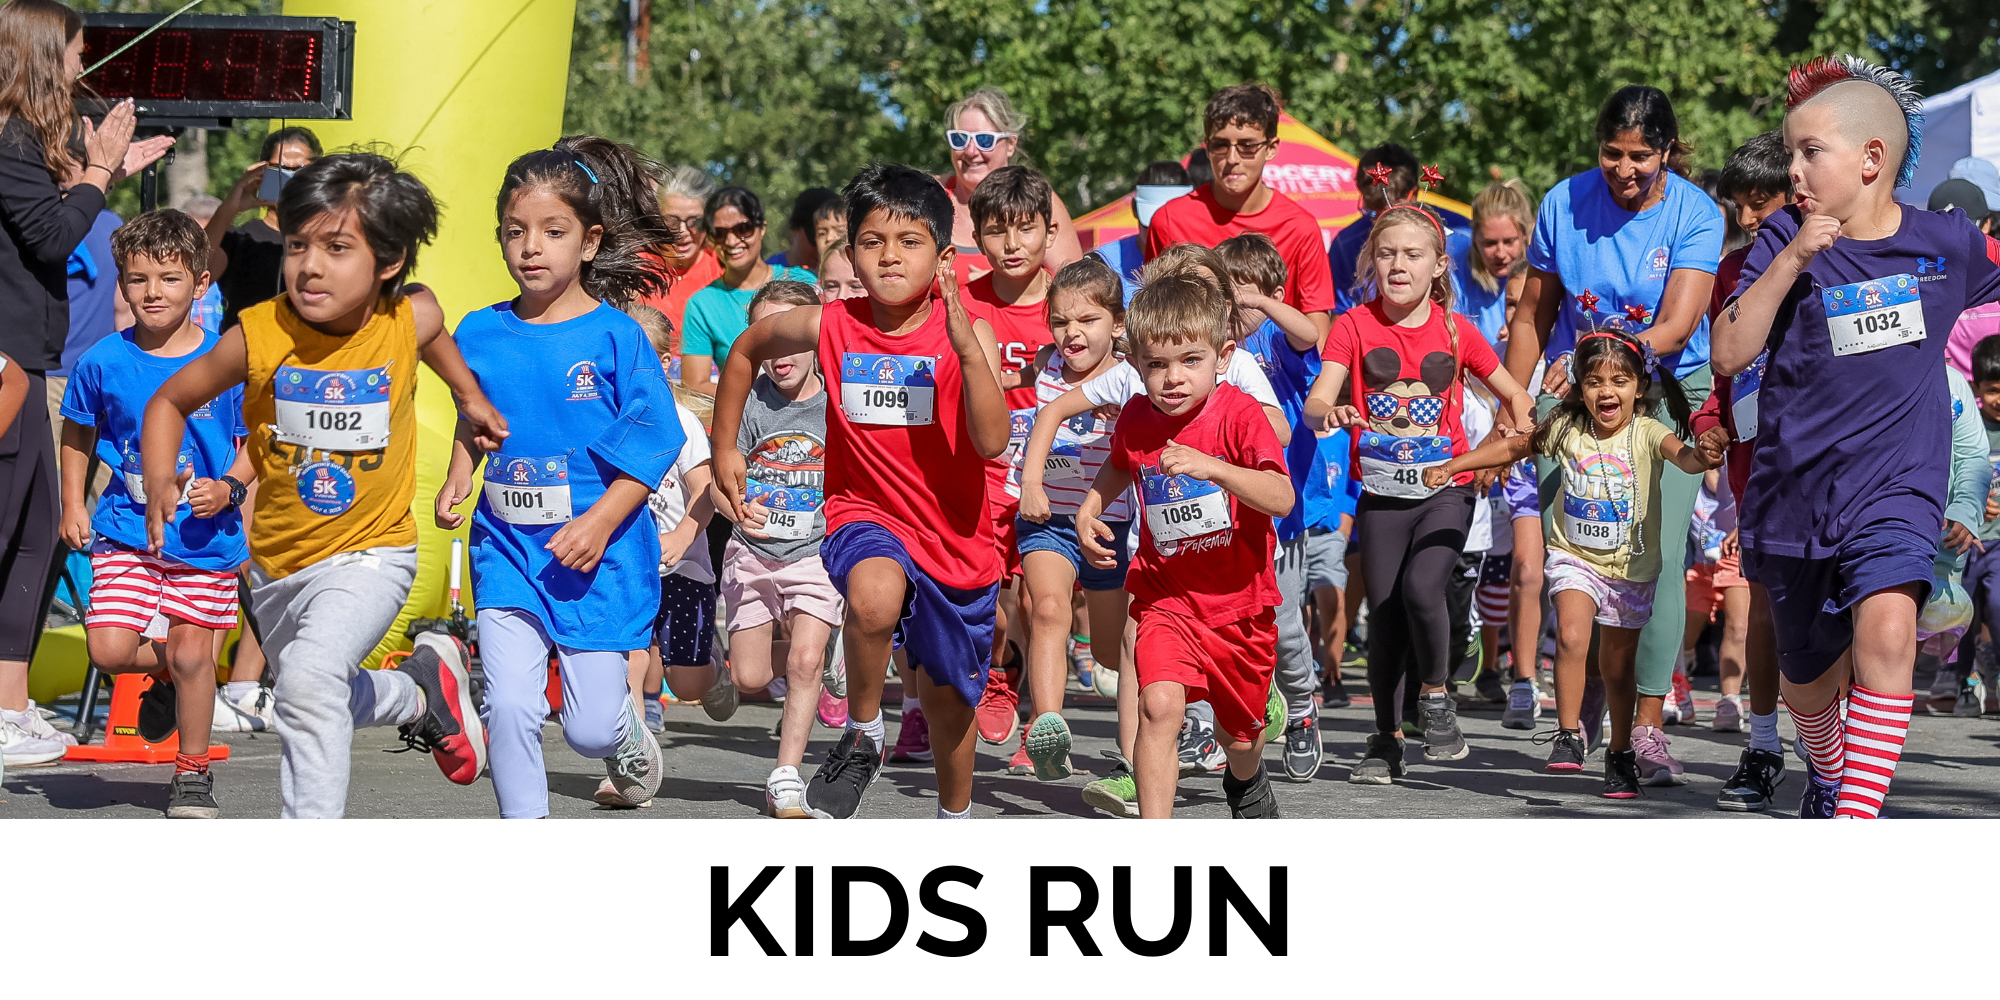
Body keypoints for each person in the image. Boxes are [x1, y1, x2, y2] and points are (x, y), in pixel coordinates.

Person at [143, 152, 508, 818]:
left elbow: (435, 334)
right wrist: (161, 476)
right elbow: (167, 402)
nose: (310, 265)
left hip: (376, 552)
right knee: (306, 690)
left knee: (308, 680)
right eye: (298, 245)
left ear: (388, 262)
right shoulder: (257, 335)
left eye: (338, 248)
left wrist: (469, 397)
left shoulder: (404, 319)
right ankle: (422, 693)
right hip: (279, 564)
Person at [1711, 54, 2000, 819]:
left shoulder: (1948, 243)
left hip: (1898, 488)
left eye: (1810, 152)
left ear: (1873, 160)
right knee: (1807, 683)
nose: (1793, 169)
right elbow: (1729, 351)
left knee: (1888, 626)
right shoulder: (1782, 236)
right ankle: (1831, 767)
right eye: (1791, 151)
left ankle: (1854, 819)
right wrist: (1798, 254)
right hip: (1793, 495)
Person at [710, 162, 1010, 820]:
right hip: (862, 514)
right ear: (849, 252)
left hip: (954, 537)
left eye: (909, 242)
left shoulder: (970, 333)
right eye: (872, 242)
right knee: (872, 599)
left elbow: (992, 443)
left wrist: (965, 351)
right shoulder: (830, 325)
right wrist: (724, 445)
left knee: (946, 702)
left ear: (943, 256)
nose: (889, 257)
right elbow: (744, 351)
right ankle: (864, 730)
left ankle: (954, 817)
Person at [435, 137, 683, 819]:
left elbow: (656, 442)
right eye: (516, 233)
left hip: (596, 557)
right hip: (509, 547)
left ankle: (625, 732)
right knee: (510, 703)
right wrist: (461, 472)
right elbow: (474, 415)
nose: (531, 248)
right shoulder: (479, 332)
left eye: (552, 231)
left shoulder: (617, 338)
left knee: (588, 730)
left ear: (590, 241)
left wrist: (599, 523)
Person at [1504, 84, 1724, 781]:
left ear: (1667, 152)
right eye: (1612, 155)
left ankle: (1648, 724)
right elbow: (1533, 316)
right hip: (1575, 397)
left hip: (1660, 392)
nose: (1625, 170)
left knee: (1652, 562)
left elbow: (1678, 325)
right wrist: (1514, 403)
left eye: (1641, 158)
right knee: (1581, 552)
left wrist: (1604, 357)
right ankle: (1592, 698)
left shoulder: (1696, 211)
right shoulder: (1562, 203)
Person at [1429, 327, 1719, 795]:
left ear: (1639, 387)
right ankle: (1567, 734)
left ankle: (1620, 752)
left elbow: (1684, 459)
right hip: (1575, 560)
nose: (1607, 391)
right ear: (1579, 387)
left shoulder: (1648, 431)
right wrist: (1456, 464)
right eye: (1595, 382)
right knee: (1570, 634)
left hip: (1628, 570)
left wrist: (1703, 454)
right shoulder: (1566, 427)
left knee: (1618, 670)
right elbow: (1513, 446)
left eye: (1620, 381)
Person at [1303, 204, 1535, 781]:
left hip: (1445, 488)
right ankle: (1385, 741)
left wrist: (1517, 433)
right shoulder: (1354, 325)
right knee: (1383, 614)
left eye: (1412, 255)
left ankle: (1435, 694)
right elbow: (1315, 403)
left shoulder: (1458, 331)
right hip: (1382, 493)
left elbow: (1514, 394)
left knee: (1422, 587)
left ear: (1438, 265)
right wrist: (1331, 411)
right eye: (1386, 254)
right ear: (1371, 262)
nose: (1397, 265)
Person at [0, 0, 174, 764]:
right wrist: (99, 169)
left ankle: (10, 703)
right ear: (43, 55)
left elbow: (55, 209)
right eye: (75, 52)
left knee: (33, 536)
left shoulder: (25, 141)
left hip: (30, 356)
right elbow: (51, 232)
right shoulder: (6, 135)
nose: (83, 65)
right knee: (17, 534)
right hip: (7, 361)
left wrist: (103, 174)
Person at [1075, 271, 1293, 818]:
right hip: (1166, 597)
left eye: (1190, 361)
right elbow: (1121, 464)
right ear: (1136, 364)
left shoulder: (1241, 414)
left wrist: (1214, 468)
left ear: (1222, 357)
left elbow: (1281, 497)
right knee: (1158, 705)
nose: (1173, 379)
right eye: (1157, 365)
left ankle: (1246, 780)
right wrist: (1090, 507)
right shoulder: (1136, 418)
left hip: (1239, 607)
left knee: (1239, 738)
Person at [57, 210, 246, 817]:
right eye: (138, 280)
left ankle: (191, 773)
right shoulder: (102, 362)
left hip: (205, 539)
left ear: (200, 284)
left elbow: (259, 446)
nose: (152, 293)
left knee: (194, 651)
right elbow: (78, 433)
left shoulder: (229, 362)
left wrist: (231, 490)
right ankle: (177, 675)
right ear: (122, 285)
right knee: (109, 650)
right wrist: (71, 503)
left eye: (169, 278)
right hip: (125, 530)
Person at [718, 279, 844, 817]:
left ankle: (786, 775)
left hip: (815, 550)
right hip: (752, 550)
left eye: (786, 337)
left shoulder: (837, 401)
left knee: (804, 659)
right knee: (748, 677)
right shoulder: (747, 405)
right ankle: (815, 660)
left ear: (814, 334)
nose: (776, 355)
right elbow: (720, 481)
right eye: (762, 342)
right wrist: (735, 508)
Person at [1012, 258, 1134, 791]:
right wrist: (1031, 485)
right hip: (1049, 519)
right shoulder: (1045, 365)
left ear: (1118, 324)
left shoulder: (1133, 378)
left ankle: (1142, 745)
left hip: (1112, 525)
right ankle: (1048, 728)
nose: (1072, 333)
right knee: (1047, 608)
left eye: (1087, 320)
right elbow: (1035, 416)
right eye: (1061, 321)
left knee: (1111, 652)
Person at [1215, 233, 1328, 781]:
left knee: (1284, 625)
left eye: (1248, 290)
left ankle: (1303, 709)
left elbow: (1311, 331)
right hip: (1221, 510)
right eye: (1227, 289)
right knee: (1224, 621)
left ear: (1274, 294)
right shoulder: (1213, 345)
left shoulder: (1278, 343)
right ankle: (1224, 721)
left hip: (1284, 512)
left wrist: (1261, 306)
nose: (1237, 302)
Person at [959, 165, 1060, 764]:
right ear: (979, 237)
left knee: (1039, 602)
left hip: (1052, 473)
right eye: (997, 231)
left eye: (1026, 230)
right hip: (981, 473)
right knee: (986, 603)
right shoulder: (964, 302)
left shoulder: (1071, 301)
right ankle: (995, 675)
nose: (1012, 244)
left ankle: (1040, 723)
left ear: (1049, 232)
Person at [1147, 85, 1336, 341]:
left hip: (1276, 376)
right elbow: (1154, 314)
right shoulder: (1169, 221)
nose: (1232, 158)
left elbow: (1317, 332)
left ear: (1271, 147)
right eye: (1220, 145)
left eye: (1247, 146)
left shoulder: (1300, 227)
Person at [935, 87, 1083, 282]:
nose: (970, 151)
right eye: (959, 139)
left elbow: (1077, 286)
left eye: (984, 140)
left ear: (1011, 144)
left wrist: (1001, 284)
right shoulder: (929, 196)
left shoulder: (1041, 201)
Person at [680, 186, 816, 398]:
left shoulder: (804, 282)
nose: (732, 241)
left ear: (762, 228)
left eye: (743, 229)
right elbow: (694, 385)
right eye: (720, 233)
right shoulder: (702, 304)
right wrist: (758, 405)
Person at [204, 125, 321, 333]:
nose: (289, 178)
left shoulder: (328, 239)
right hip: (246, 354)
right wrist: (230, 207)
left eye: (300, 170)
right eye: (279, 169)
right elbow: (195, 274)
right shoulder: (240, 239)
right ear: (262, 174)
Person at [1957, 334, 2000, 716]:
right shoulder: (1968, 428)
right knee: (1961, 617)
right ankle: (1966, 683)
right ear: (1976, 389)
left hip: (1998, 545)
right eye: (1992, 390)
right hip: (1965, 543)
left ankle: (1995, 675)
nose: (1999, 399)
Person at [1329, 143, 1423, 316]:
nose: (1381, 222)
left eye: (1391, 213)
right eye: (1372, 212)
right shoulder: (1345, 244)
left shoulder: (1455, 234)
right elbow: (1339, 314)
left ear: (1413, 195)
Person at [642, 164, 723, 342]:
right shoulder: (636, 268)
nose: (683, 232)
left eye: (695, 222)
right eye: (671, 222)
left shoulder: (723, 269)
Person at [1092, 160, 1192, 303]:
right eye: (1151, 222)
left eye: (1169, 223)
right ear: (1134, 209)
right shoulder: (1103, 263)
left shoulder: (1206, 262)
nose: (1158, 230)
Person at [768, 187, 838, 271]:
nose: (822, 247)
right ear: (794, 227)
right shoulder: (769, 273)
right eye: (821, 233)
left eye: (839, 233)